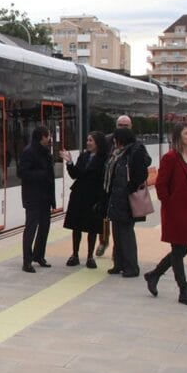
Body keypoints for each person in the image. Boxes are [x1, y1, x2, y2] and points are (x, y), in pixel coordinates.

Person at [144, 124, 187, 307]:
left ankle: (154, 275)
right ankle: (183, 290)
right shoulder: (170, 158)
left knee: (182, 250)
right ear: (178, 137)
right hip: (175, 211)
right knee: (179, 250)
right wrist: (169, 205)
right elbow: (161, 185)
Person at [102, 126, 150, 278]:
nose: (113, 141)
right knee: (117, 232)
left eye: (115, 138)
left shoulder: (134, 152)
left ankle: (131, 267)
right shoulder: (117, 153)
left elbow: (141, 174)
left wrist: (128, 189)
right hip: (116, 198)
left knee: (126, 234)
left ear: (121, 139)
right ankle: (118, 264)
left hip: (126, 200)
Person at [62, 131, 107, 268]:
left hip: (93, 197)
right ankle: (75, 254)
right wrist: (69, 162)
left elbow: (101, 178)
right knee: (77, 226)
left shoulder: (104, 159)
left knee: (92, 228)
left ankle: (90, 256)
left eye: (90, 140)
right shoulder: (83, 156)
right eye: (87, 140)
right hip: (79, 196)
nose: (88, 143)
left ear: (97, 143)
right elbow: (75, 174)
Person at [18, 125, 55, 273]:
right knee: (31, 229)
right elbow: (23, 173)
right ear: (42, 138)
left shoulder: (46, 152)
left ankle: (39, 255)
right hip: (33, 198)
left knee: (44, 228)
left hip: (45, 197)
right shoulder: (29, 152)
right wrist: (42, 174)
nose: (50, 138)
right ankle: (27, 261)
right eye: (48, 136)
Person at [96, 115, 133, 258]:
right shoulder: (107, 140)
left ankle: (117, 251)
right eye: (120, 125)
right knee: (104, 216)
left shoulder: (134, 142)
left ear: (131, 127)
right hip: (107, 186)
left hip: (123, 189)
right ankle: (103, 242)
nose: (123, 128)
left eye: (126, 125)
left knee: (121, 221)